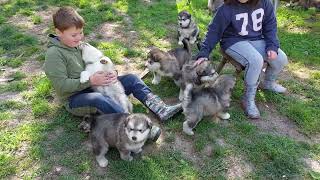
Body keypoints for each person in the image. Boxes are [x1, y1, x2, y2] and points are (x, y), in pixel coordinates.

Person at [43, 7, 182, 141]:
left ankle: (160, 108)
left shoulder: (79, 44)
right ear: (59, 32)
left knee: (131, 79)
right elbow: (61, 86)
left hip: (95, 85)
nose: (79, 37)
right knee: (98, 98)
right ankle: (135, 128)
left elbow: (102, 60)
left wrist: (112, 72)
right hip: (75, 98)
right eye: (74, 35)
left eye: (81, 32)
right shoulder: (54, 54)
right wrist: (91, 81)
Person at [195, 0, 288, 119]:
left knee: (281, 58)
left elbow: (270, 25)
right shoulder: (226, 8)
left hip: (256, 40)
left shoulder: (264, 3)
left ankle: (268, 82)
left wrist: (272, 46)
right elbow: (214, 31)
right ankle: (247, 99)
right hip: (233, 41)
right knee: (255, 60)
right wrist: (204, 52)